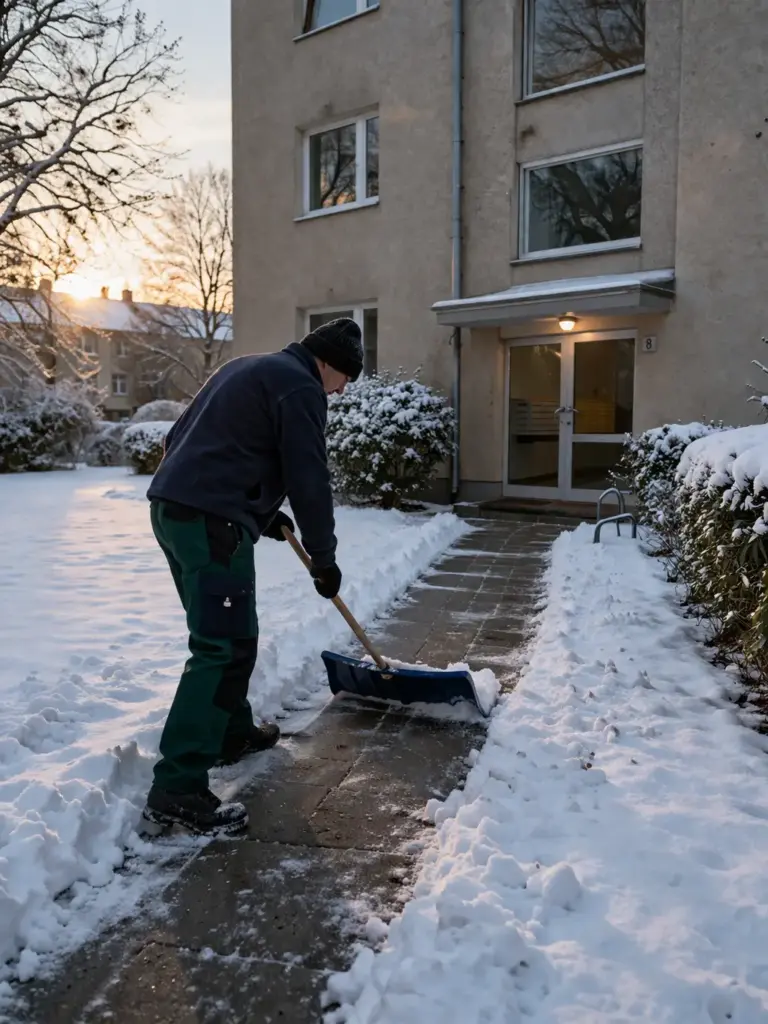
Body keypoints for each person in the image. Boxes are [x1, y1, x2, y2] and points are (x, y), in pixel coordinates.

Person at [139, 318, 364, 837]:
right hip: (210, 522)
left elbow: (188, 438)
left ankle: (230, 733)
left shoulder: (248, 367)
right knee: (218, 646)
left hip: (175, 510)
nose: (341, 390)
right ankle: (177, 788)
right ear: (326, 363)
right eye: (344, 378)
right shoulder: (301, 388)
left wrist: (257, 510)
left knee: (234, 634)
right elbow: (308, 476)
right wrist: (324, 557)